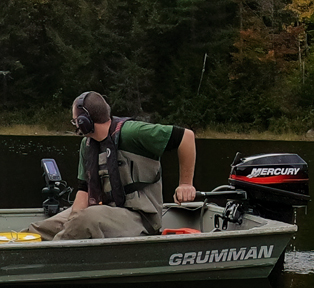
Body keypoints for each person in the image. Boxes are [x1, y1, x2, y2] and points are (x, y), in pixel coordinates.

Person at [29, 91, 197, 240]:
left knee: (85, 220)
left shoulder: (133, 133)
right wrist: (71, 220)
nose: (75, 126)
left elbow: (186, 137)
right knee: (41, 229)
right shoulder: (86, 145)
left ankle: (50, 256)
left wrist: (185, 184)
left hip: (140, 218)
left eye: (75, 121)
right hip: (104, 211)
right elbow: (84, 188)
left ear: (84, 121)